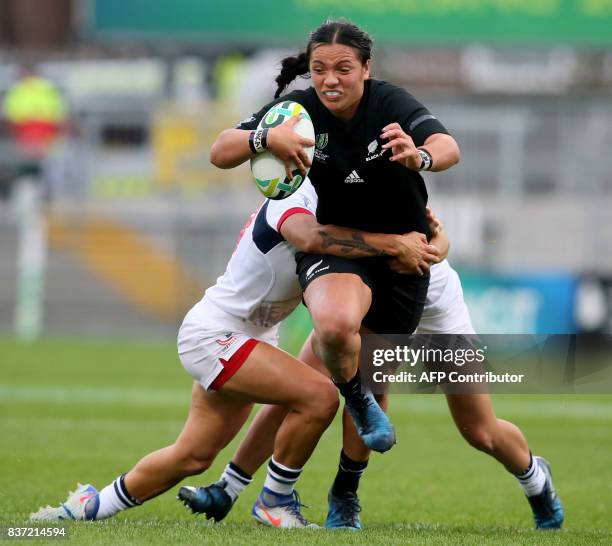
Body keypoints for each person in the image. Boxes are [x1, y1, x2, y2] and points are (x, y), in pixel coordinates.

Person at [30, 178, 441, 529]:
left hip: (249, 337)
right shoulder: (294, 196)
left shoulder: (341, 200)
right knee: (318, 396)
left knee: (192, 455)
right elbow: (311, 238)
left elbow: (420, 231)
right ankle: (274, 502)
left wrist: (427, 237)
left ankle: (87, 506)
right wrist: (393, 243)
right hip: (217, 335)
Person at [179, 186, 564, 531]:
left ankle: (535, 479)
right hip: (358, 295)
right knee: (300, 390)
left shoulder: (385, 185)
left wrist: (433, 246)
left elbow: (437, 240)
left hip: (430, 303)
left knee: (479, 429)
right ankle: (230, 489)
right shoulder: (323, 197)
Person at [209, 19, 461, 455]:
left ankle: (345, 489)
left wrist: (418, 156)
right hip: (342, 248)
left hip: (405, 259)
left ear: (366, 68)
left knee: (476, 427)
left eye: (343, 68)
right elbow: (220, 151)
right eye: (319, 68)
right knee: (334, 327)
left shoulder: (390, 103)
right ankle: (271, 481)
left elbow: (447, 147)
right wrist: (264, 137)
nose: (330, 79)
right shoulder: (298, 113)